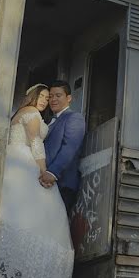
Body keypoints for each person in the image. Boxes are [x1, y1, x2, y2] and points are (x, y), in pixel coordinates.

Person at [0, 83, 74, 278]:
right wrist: (42, 171)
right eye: (43, 96)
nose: (45, 101)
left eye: (49, 98)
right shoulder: (33, 114)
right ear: (33, 96)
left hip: (11, 159)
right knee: (42, 217)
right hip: (25, 162)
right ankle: (30, 277)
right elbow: (36, 142)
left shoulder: (18, 113)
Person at [41, 80, 86, 212]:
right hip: (46, 181)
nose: (53, 99)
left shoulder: (74, 118)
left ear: (69, 98)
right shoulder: (51, 121)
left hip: (62, 183)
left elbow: (70, 147)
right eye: (51, 96)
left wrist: (52, 172)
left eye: (58, 95)